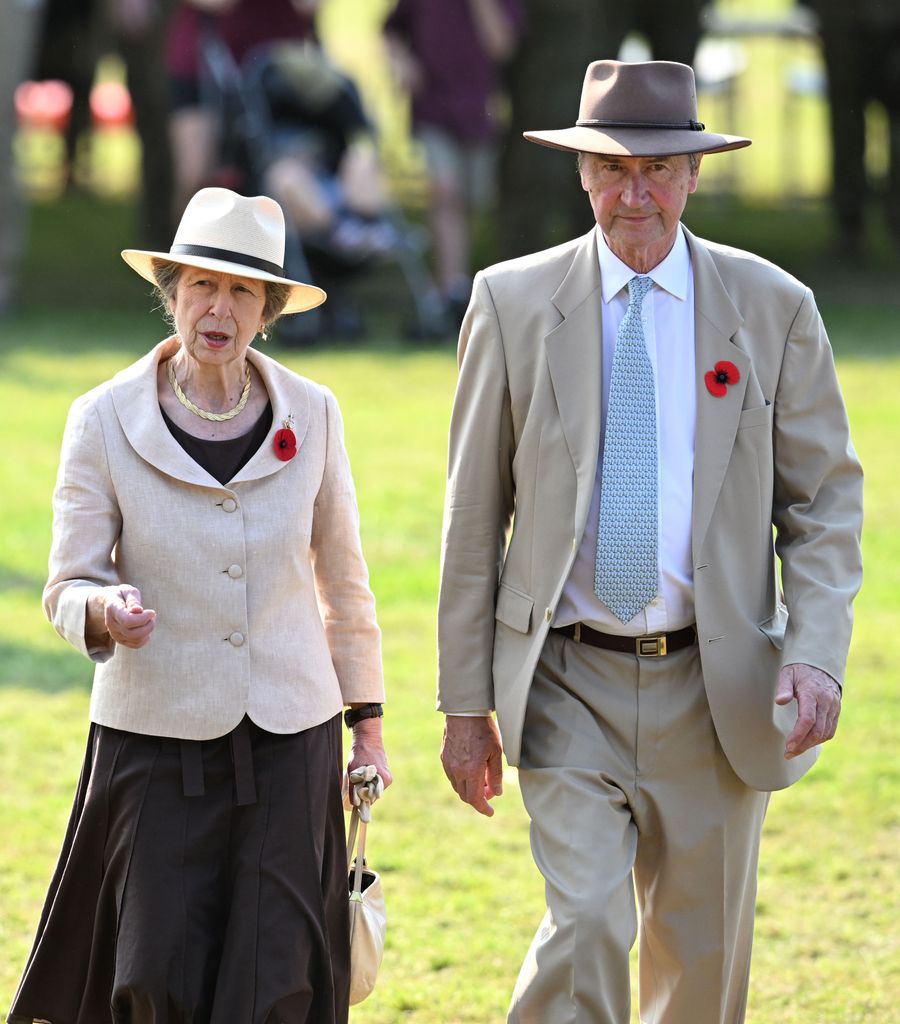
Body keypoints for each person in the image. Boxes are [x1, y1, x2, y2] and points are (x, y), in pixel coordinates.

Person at [437, 60, 863, 1024]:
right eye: (613, 169)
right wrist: (465, 706)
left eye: (659, 170)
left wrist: (817, 655)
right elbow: (472, 520)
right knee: (586, 924)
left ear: (695, 175)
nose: (635, 194)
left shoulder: (774, 309)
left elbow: (825, 504)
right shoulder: (510, 303)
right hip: (566, 681)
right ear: (582, 173)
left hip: (718, 688)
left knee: (701, 969)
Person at [8, 186, 390, 1024]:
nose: (219, 308)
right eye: (201, 287)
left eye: (242, 292)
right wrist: (105, 612)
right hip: (154, 738)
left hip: (293, 737)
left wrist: (368, 725)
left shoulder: (314, 414)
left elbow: (345, 582)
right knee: (154, 977)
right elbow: (66, 583)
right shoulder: (103, 418)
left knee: (276, 980)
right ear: (172, 291)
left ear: (270, 310)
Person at [383, 0, 525, 324]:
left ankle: (461, 288)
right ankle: (449, 290)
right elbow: (389, 29)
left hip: (478, 112)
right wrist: (402, 61)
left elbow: (501, 45)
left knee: (475, 199)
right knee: (445, 191)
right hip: (432, 107)